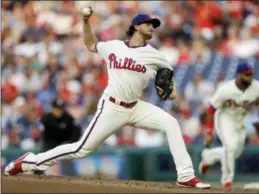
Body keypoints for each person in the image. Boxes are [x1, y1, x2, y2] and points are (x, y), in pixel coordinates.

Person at [5, 8, 210, 189]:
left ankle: (186, 176)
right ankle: (30, 162)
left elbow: (171, 90)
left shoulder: (155, 55)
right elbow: (91, 44)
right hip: (112, 107)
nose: (152, 28)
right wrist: (85, 23)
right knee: (81, 149)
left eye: (153, 25)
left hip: (136, 107)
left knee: (171, 123)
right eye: (149, 24)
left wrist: (169, 92)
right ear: (137, 26)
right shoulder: (114, 46)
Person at [198, 62, 259, 189]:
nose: (250, 77)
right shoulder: (226, 89)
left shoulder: (257, 87)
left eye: (251, 74)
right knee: (230, 147)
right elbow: (211, 109)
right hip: (225, 117)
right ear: (238, 75)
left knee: (235, 153)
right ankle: (227, 181)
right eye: (247, 75)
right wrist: (209, 131)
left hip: (241, 119)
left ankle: (208, 156)